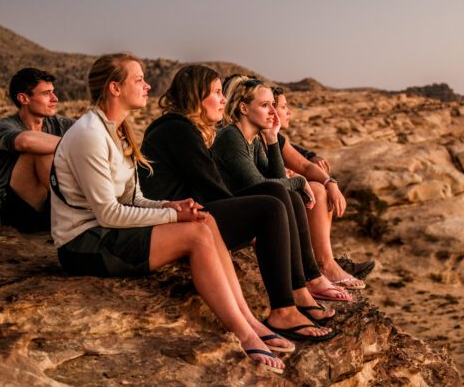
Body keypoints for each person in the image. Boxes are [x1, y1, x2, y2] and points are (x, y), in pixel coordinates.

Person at [50, 53, 286, 374]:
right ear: (115, 88)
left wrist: (170, 206)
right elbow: (109, 214)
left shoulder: (117, 130)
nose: (147, 86)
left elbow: (134, 198)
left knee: (204, 219)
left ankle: (249, 320)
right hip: (85, 244)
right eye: (138, 80)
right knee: (195, 233)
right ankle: (244, 334)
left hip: (108, 233)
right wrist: (174, 217)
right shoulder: (89, 135)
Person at [139, 64, 337, 336]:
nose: (222, 100)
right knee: (270, 206)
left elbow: (263, 181)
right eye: (216, 93)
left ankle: (299, 291)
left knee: (278, 195)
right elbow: (216, 190)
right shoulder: (180, 131)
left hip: (189, 212)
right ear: (196, 97)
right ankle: (284, 309)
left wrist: (271, 143)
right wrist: (258, 217)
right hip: (175, 222)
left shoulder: (186, 129)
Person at [213, 77, 352, 303]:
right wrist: (299, 181)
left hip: (250, 211)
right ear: (244, 108)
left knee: (292, 197)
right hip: (228, 219)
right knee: (289, 192)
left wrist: (271, 139)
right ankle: (306, 283)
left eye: (273, 105)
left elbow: (273, 179)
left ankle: (311, 279)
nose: (273, 112)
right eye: (265, 105)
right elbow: (259, 185)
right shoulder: (230, 137)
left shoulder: (254, 140)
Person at [271, 85, 373, 287]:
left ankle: (327, 260)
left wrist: (331, 183)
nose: (289, 112)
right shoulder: (252, 138)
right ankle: (325, 264)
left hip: (278, 194)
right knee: (315, 189)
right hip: (266, 198)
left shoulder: (276, 137)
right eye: (284, 107)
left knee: (320, 185)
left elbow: (304, 162)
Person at [0, 68, 75, 232]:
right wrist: (75, 144)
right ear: (24, 98)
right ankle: (79, 209)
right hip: (17, 211)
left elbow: (92, 134)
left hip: (50, 205)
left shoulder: (59, 123)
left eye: (53, 92)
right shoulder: (5, 126)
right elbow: (25, 141)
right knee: (39, 152)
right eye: (46, 93)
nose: (55, 99)